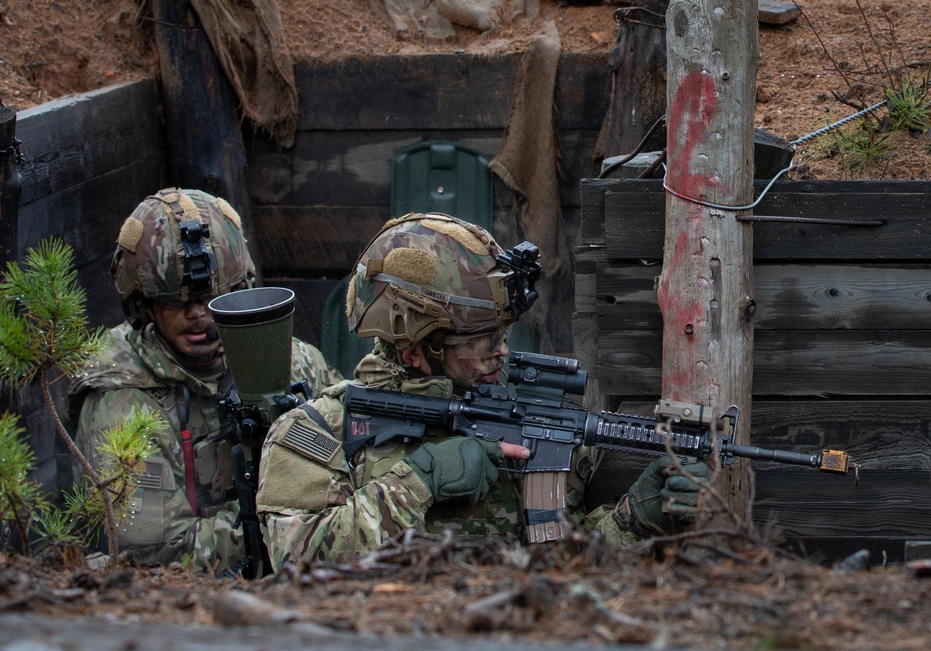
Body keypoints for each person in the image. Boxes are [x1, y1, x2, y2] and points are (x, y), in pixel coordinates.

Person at [255, 212, 709, 569]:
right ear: (416, 349)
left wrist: (635, 520)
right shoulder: (317, 434)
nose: (502, 353)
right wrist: (419, 480)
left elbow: (559, 578)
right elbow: (297, 565)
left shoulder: (525, 420)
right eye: (484, 342)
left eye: (503, 335)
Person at [69, 187, 343, 575]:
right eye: (177, 303)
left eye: (212, 299)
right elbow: (156, 552)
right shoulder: (122, 400)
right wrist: (293, 529)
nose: (197, 315)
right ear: (144, 303)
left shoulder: (288, 361)